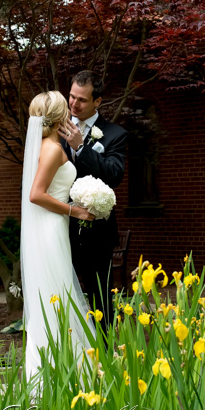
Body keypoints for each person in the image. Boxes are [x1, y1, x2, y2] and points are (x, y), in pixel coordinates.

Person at [21, 90, 95, 384]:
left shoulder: (50, 145)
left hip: (52, 229)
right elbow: (36, 194)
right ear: (58, 116)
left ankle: (62, 371)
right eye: (67, 107)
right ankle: (57, 376)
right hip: (52, 229)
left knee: (57, 299)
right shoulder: (50, 149)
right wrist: (73, 211)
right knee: (58, 297)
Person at [58, 71, 127, 331]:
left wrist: (82, 147)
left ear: (97, 101)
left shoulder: (114, 134)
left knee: (101, 302)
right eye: (71, 97)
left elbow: (114, 175)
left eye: (82, 100)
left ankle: (105, 359)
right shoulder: (56, 128)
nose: (73, 104)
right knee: (61, 298)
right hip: (61, 227)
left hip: (97, 232)